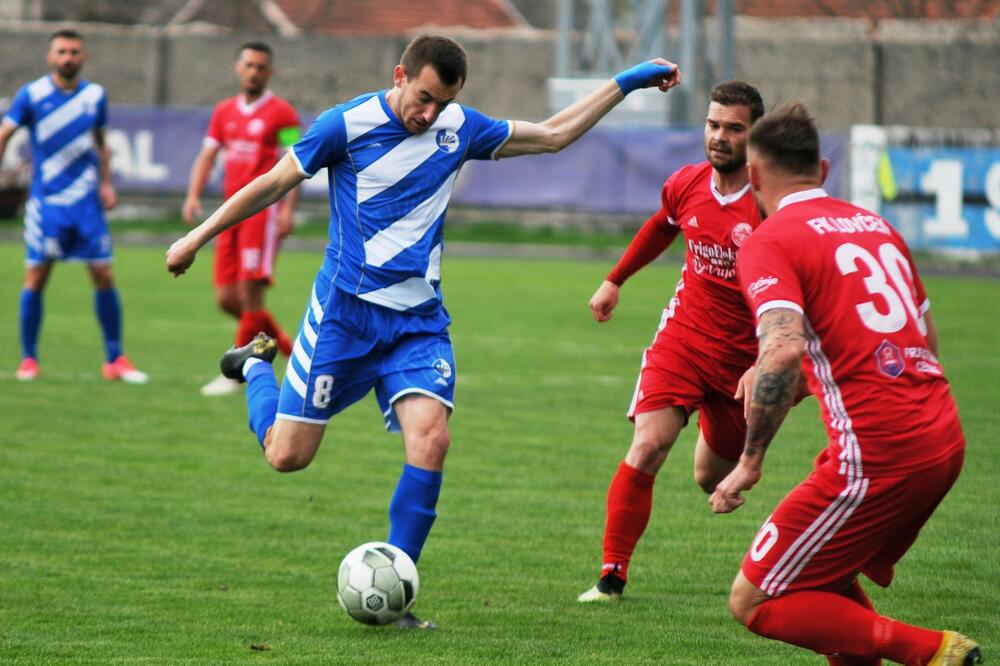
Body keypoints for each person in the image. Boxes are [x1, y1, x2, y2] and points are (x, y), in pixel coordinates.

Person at [166, 35, 680, 628]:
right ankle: (256, 363)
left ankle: (399, 595)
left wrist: (629, 80)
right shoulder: (345, 125)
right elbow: (271, 183)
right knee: (287, 457)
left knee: (431, 440)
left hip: (417, 323)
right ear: (400, 75)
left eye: (443, 103)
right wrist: (194, 238)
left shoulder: (459, 127)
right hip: (344, 317)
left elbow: (554, 134)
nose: (430, 114)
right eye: (424, 98)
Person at [711, 101, 980, 665]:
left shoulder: (771, 239)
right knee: (823, 579)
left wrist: (749, 459)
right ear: (824, 170)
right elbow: (924, 342)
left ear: (754, 176)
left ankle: (936, 651)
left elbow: (781, 351)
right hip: (942, 438)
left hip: (877, 452)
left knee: (755, 599)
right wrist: (817, 379)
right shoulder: (877, 226)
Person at [578, 81, 765, 602]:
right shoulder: (686, 183)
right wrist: (616, 278)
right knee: (649, 444)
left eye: (733, 128)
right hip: (683, 341)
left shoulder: (770, 206)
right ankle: (611, 576)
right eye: (712, 125)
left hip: (744, 365)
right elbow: (662, 227)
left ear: (756, 136)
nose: (719, 137)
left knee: (709, 478)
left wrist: (775, 361)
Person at [0, 29, 146, 384]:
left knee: (103, 275)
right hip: (47, 203)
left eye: (74, 52)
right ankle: (29, 359)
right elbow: (5, 133)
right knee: (37, 276)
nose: (68, 57)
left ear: (84, 57)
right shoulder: (32, 95)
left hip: (87, 204)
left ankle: (115, 359)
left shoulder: (95, 96)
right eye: (62, 51)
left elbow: (101, 142)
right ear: (51, 57)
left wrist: (107, 183)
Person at [183, 42, 301, 396]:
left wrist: (288, 209)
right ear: (239, 68)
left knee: (251, 295)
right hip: (229, 215)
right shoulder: (223, 112)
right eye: (249, 65)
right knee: (225, 298)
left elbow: (297, 162)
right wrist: (192, 195)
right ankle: (289, 349)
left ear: (270, 72)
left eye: (261, 67)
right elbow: (207, 156)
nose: (254, 71)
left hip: (261, 215)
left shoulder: (283, 114)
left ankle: (235, 372)